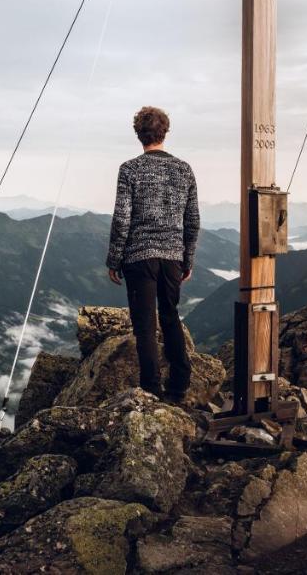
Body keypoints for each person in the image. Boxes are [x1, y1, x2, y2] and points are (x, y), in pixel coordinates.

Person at [105, 105, 198, 401]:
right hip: (172, 256)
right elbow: (192, 219)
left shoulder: (130, 169)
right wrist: (187, 259)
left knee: (145, 325)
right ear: (164, 131)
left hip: (139, 257)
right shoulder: (183, 169)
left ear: (139, 134)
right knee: (170, 316)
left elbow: (122, 218)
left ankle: (151, 389)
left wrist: (114, 259)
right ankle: (180, 384)